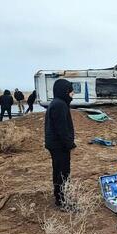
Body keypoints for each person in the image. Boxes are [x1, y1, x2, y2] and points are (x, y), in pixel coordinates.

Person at [45, 79, 76, 207]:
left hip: (56, 145)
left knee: (59, 171)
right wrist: (70, 144)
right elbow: (61, 128)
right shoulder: (59, 105)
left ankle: (60, 197)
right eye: (71, 91)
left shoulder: (58, 103)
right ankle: (61, 200)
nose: (73, 94)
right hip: (59, 146)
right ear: (65, 91)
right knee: (62, 172)